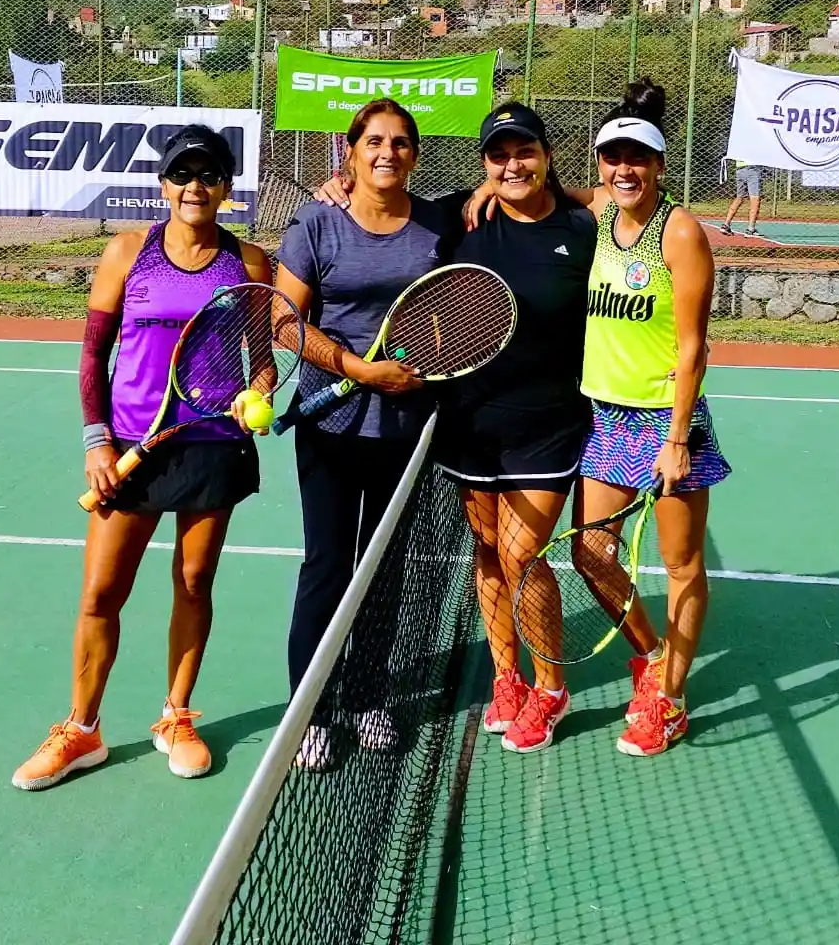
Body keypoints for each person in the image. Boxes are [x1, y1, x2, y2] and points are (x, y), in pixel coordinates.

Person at [312, 101, 597, 755]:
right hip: (468, 423)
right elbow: (385, 199)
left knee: (524, 554)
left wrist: (562, 191)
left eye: (524, 152)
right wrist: (342, 182)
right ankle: (506, 677)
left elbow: (621, 192)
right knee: (489, 551)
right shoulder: (455, 218)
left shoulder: (581, 228)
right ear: (483, 164)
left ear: (547, 155)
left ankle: (550, 685)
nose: (512, 164)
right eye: (498, 155)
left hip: (547, 425)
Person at [467, 78, 730, 757]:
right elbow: (561, 197)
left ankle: (668, 699)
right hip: (607, 421)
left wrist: (676, 439)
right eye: (613, 157)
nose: (624, 168)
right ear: (600, 167)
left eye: (638, 158)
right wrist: (489, 191)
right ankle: (649, 660)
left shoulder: (680, 231)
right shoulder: (601, 217)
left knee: (681, 567)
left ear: (661, 166)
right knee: (591, 553)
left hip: (666, 421)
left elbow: (694, 345)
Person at [12, 125, 271, 791]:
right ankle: (81, 729)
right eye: (182, 175)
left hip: (212, 445)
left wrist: (258, 393)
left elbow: (262, 363)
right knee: (101, 593)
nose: (194, 187)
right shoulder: (128, 253)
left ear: (226, 188)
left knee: (193, 583)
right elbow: (93, 354)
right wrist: (96, 438)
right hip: (131, 445)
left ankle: (177, 716)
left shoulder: (247, 263)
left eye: (208, 175)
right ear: (163, 185)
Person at [275, 99, 449, 770]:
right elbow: (287, 322)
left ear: (415, 154)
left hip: (403, 427)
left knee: (385, 572)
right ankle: (310, 709)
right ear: (349, 153)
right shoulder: (317, 224)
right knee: (326, 565)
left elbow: (451, 304)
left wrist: (418, 370)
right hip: (329, 420)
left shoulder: (436, 224)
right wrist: (354, 368)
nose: (387, 152)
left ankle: (368, 694)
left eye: (401, 142)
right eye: (373, 141)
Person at [721, 159, 762, 237]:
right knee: (755, 199)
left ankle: (726, 224)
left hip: (740, 170)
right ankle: (751, 229)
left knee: (740, 197)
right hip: (752, 169)